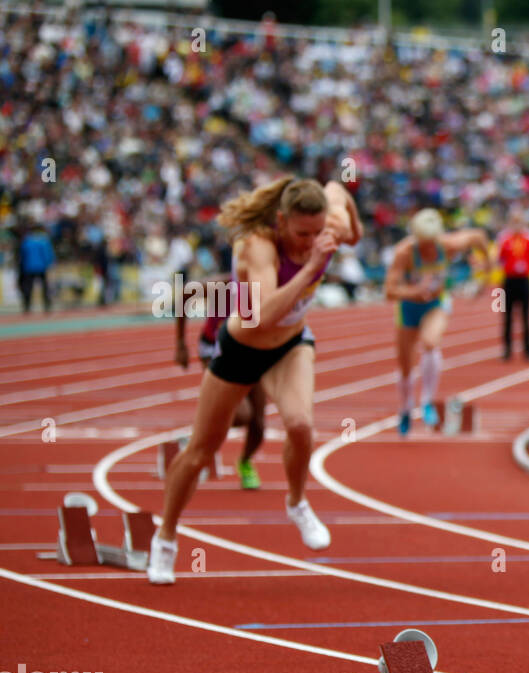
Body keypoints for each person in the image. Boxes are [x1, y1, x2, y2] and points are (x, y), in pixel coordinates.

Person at [147, 176, 362, 585]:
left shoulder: (327, 225)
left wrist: (346, 217)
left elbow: (344, 204)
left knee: (300, 425)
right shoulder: (257, 245)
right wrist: (314, 266)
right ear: (281, 221)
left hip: (292, 344)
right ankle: (166, 538)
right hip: (243, 345)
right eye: (301, 234)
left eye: (318, 233)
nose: (309, 241)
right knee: (200, 449)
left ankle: (297, 503)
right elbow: (263, 314)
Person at [382, 209, 489, 435]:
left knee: (430, 342)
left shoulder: (448, 245)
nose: (428, 248)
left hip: (436, 305)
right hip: (408, 308)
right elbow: (389, 291)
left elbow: (478, 236)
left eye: (432, 243)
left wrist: (486, 267)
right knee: (405, 367)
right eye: (423, 244)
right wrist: (413, 291)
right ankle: (405, 408)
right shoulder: (405, 253)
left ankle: (427, 401)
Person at [173, 270, 267, 491]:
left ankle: (244, 462)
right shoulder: (222, 286)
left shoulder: (268, 287)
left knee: (259, 424)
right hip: (217, 350)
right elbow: (185, 294)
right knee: (242, 414)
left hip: (253, 351)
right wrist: (180, 343)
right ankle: (200, 435)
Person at [498, 208, 529, 361]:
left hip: (524, 281)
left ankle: (528, 350)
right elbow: (500, 259)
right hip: (508, 281)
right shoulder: (505, 241)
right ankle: (507, 349)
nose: (517, 225)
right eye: (514, 222)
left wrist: (524, 269)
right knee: (506, 317)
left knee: (526, 317)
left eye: (519, 222)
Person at [18, 223, 55, 313]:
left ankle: (27, 306)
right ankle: (47, 305)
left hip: (28, 267)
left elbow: (22, 255)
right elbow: (48, 254)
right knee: (45, 287)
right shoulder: (44, 240)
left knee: (28, 287)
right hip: (42, 267)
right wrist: (49, 264)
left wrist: (22, 266)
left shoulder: (26, 240)